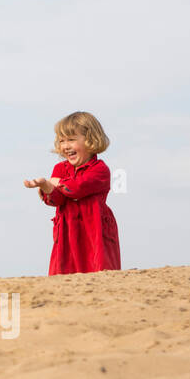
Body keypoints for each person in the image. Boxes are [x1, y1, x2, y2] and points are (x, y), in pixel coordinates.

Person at [24, 111, 122, 275]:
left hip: (95, 229)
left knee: (99, 269)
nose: (65, 146)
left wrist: (56, 182)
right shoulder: (60, 168)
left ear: (90, 139)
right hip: (67, 230)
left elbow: (77, 188)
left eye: (71, 140)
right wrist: (46, 186)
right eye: (62, 141)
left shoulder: (100, 169)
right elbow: (56, 199)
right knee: (64, 270)